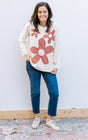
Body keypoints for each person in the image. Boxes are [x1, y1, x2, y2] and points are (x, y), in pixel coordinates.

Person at [18, 2, 60, 131]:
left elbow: (57, 47)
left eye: (44, 11)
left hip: (49, 66)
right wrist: (26, 55)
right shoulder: (30, 25)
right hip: (33, 64)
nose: (42, 14)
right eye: (40, 12)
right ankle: (36, 117)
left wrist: (56, 65)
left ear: (48, 13)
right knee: (35, 92)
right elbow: (21, 39)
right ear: (37, 13)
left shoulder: (54, 26)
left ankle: (49, 119)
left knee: (54, 93)